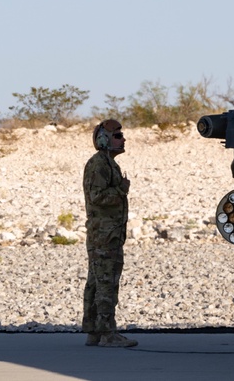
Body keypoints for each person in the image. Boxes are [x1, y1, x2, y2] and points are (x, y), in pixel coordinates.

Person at [82, 119, 137, 347]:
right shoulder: (99, 165)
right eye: (117, 136)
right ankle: (107, 334)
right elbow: (97, 197)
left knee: (97, 281)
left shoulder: (107, 164)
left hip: (108, 234)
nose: (123, 140)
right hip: (104, 236)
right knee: (106, 283)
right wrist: (121, 190)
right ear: (104, 140)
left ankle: (94, 331)